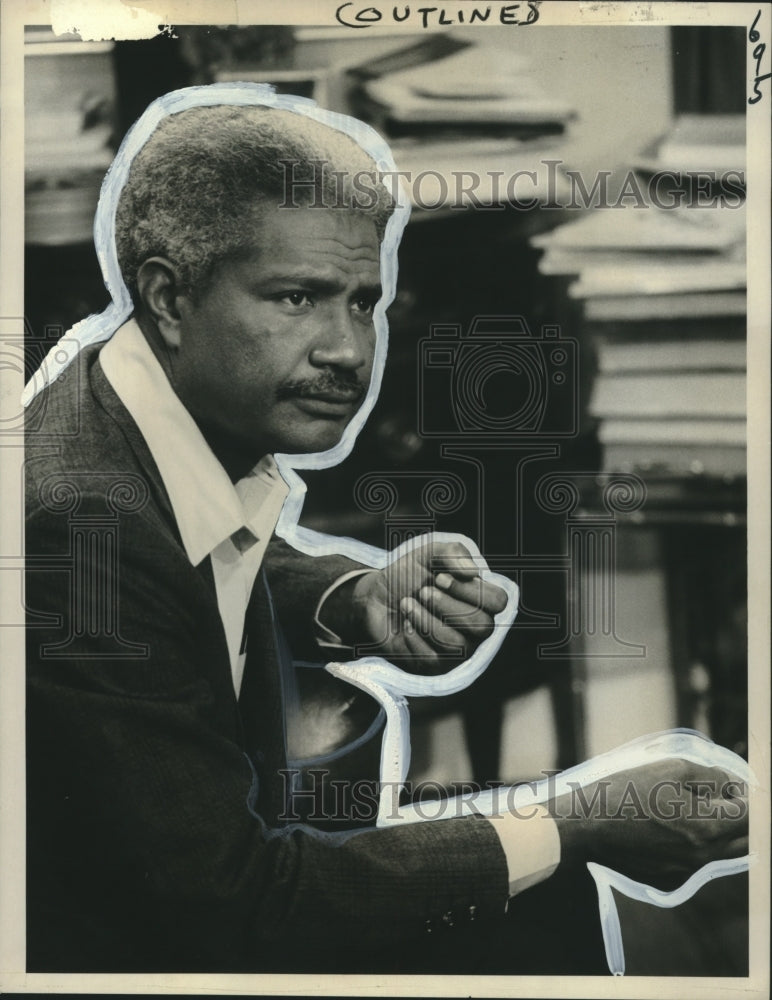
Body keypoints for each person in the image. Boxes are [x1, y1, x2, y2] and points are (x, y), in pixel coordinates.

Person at [24, 89, 748, 974]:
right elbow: (237, 909)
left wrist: (354, 599)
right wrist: (568, 816)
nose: (349, 352)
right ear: (170, 297)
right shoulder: (76, 531)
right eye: (297, 298)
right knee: (542, 890)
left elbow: (192, 554)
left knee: (543, 894)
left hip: (198, 901)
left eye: (363, 303)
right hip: (138, 956)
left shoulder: (123, 403)